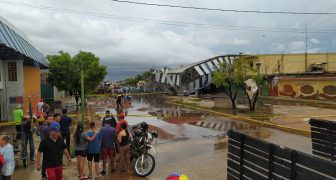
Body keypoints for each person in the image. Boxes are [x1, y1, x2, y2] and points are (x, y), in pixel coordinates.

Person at [39, 115, 53, 179]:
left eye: (52, 119)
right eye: (50, 119)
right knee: (46, 160)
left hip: (43, 143)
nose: (51, 121)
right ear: (46, 120)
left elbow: (37, 133)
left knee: (45, 160)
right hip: (47, 145)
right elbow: (49, 137)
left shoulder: (41, 126)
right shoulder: (47, 128)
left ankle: (43, 175)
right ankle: (45, 174)